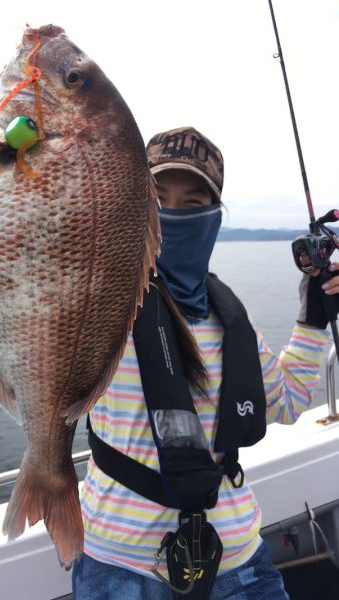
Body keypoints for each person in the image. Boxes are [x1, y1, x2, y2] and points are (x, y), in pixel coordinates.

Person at [72, 126, 339, 599]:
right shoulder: (99, 300)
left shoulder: (229, 316)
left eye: (193, 204)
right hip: (118, 565)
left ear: (214, 218)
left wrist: (313, 314)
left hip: (237, 559)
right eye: (157, 197)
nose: (172, 214)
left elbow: (285, 399)